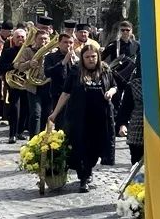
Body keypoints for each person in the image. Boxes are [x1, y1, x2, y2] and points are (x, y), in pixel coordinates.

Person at [46, 44, 117, 193]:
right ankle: (83, 177)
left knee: (97, 148)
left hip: (100, 118)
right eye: (87, 57)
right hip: (80, 118)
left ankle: (89, 168)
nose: (91, 59)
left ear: (97, 57)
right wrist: (54, 113)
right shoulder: (75, 72)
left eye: (93, 56)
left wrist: (110, 92)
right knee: (81, 147)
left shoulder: (105, 70)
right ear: (82, 59)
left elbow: (114, 86)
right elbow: (65, 93)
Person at [0, 29, 29, 142]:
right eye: (18, 37)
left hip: (27, 83)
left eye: (22, 37)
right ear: (13, 38)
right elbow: (1, 67)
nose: (20, 39)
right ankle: (12, 134)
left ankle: (20, 132)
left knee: (25, 109)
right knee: (14, 109)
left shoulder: (29, 51)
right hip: (14, 84)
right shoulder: (8, 52)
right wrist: (14, 65)